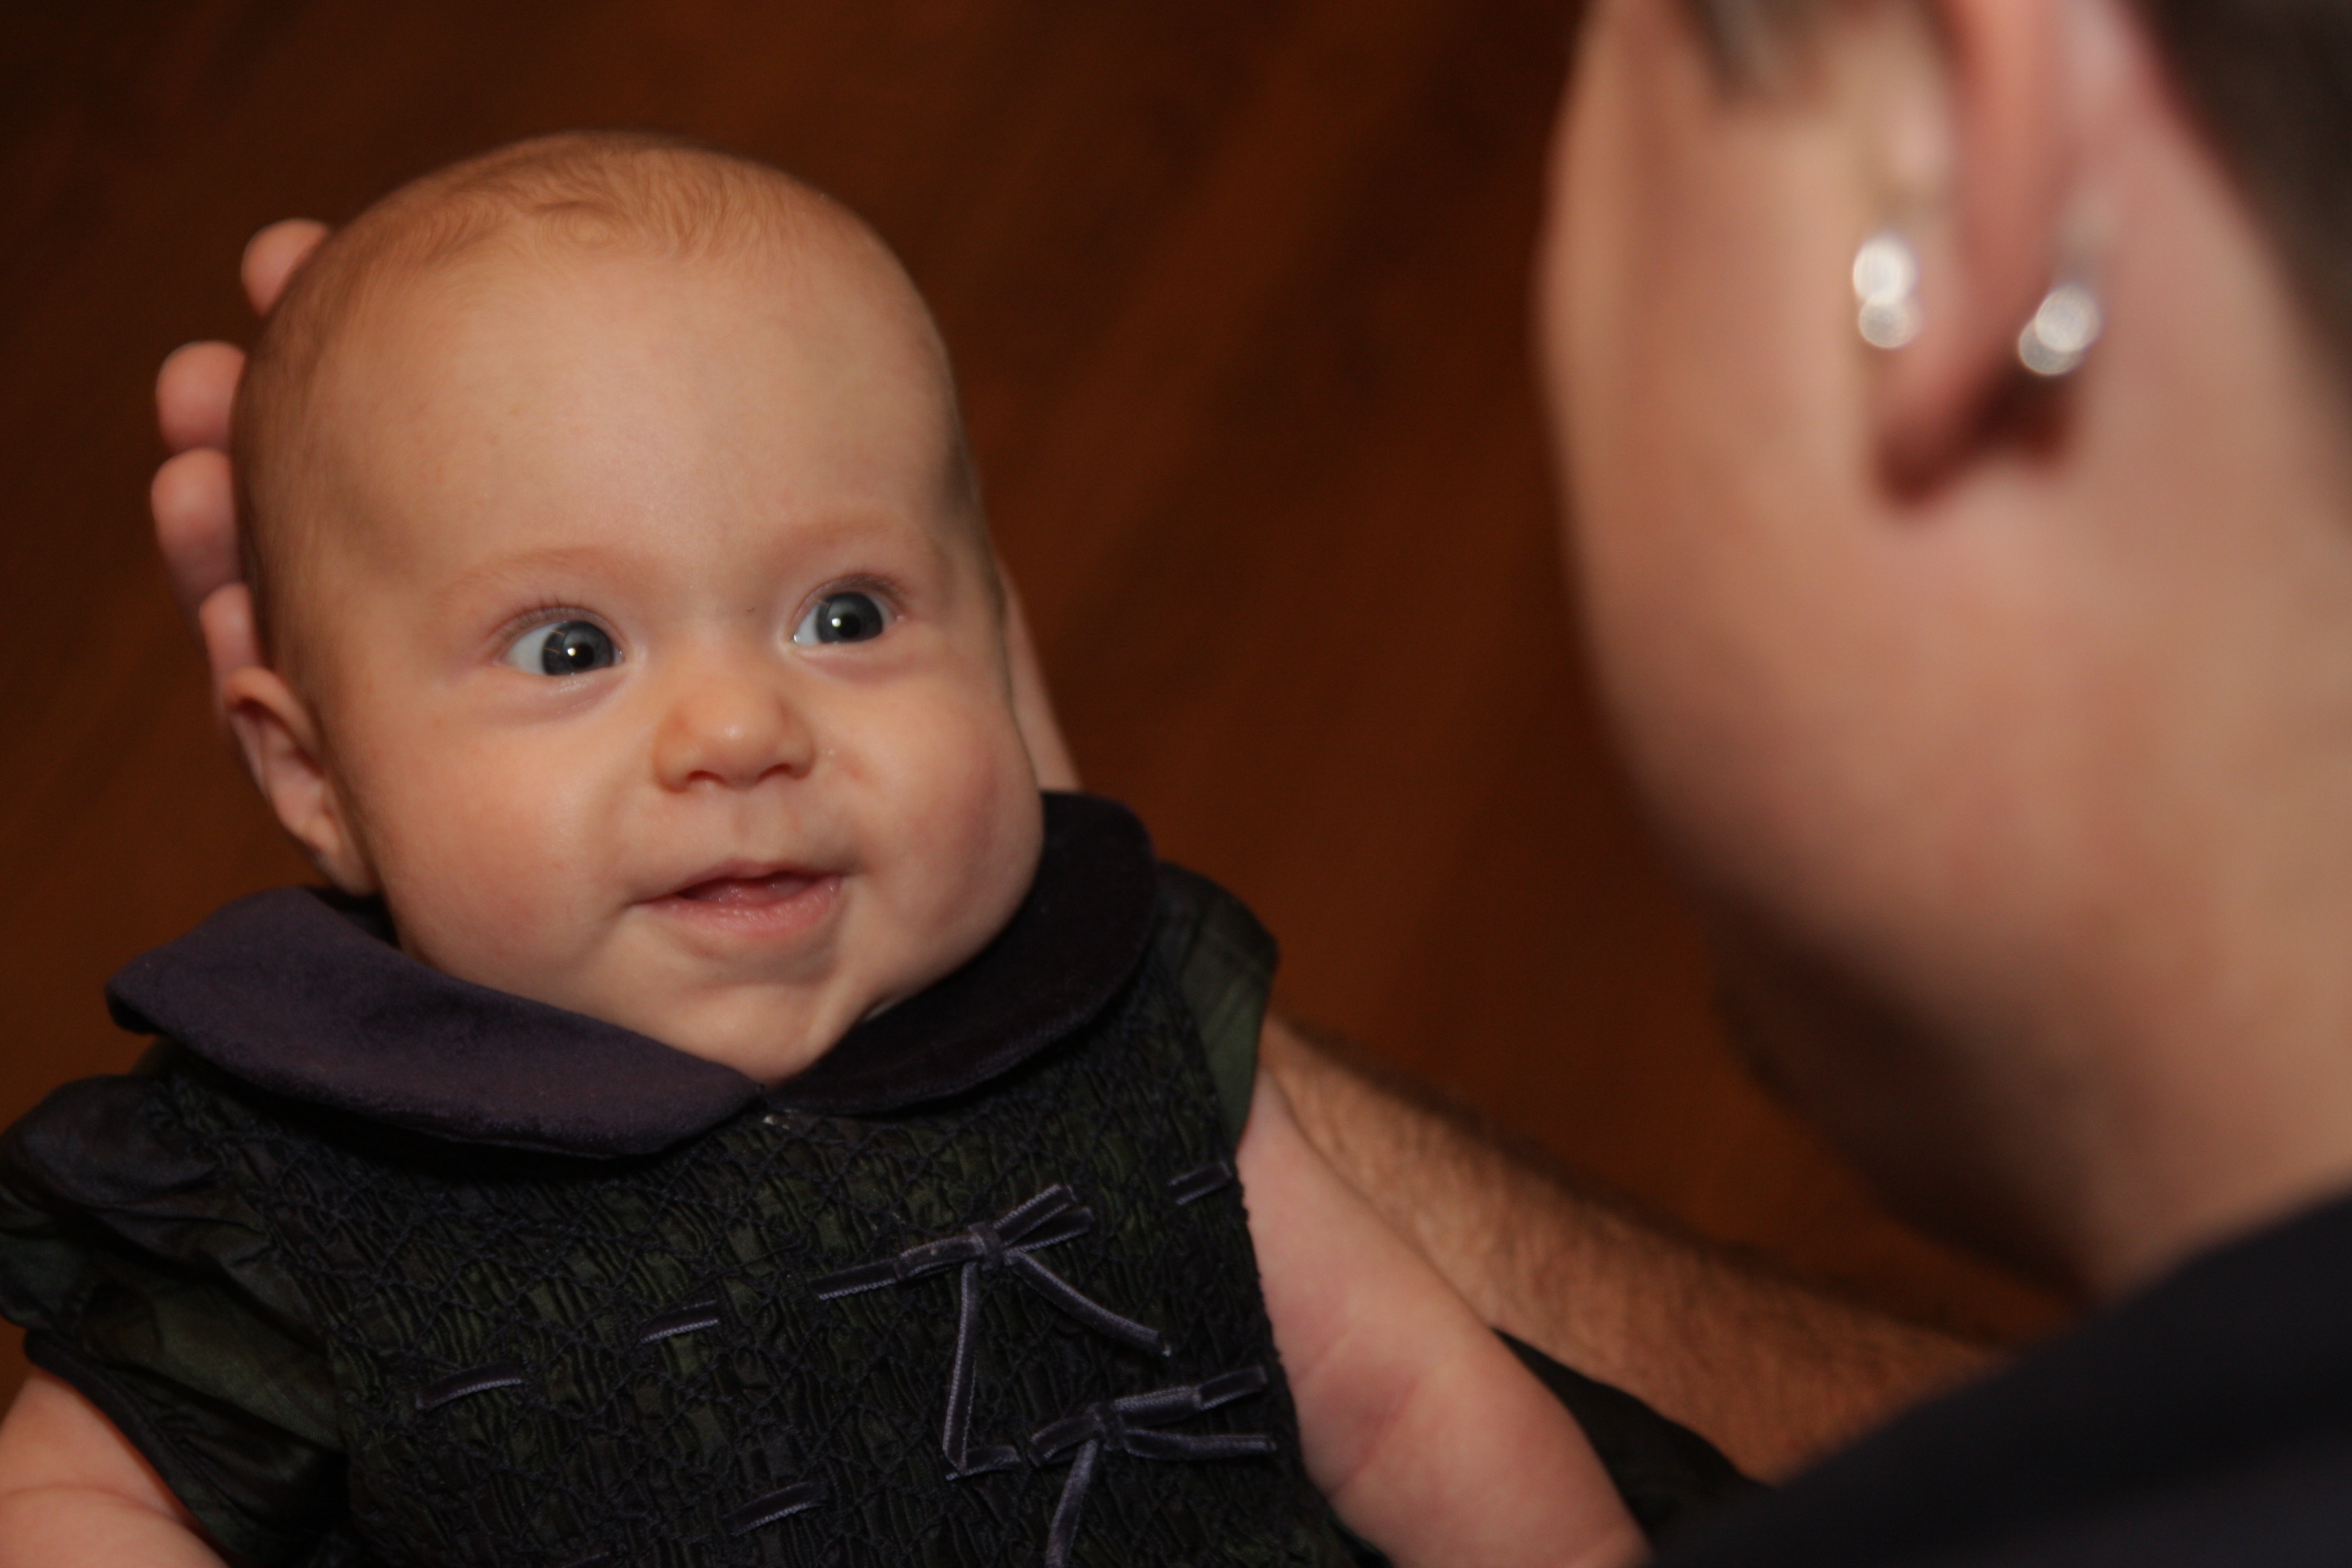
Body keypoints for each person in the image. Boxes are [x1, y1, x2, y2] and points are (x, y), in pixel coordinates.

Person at [0, 134, 1630, 1568]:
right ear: (314, 777)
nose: (738, 728)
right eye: (572, 648)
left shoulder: (1106, 1016)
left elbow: (1404, 1400)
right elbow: (75, 1505)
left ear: (996, 639)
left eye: (844, 616)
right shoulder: (293, 1171)